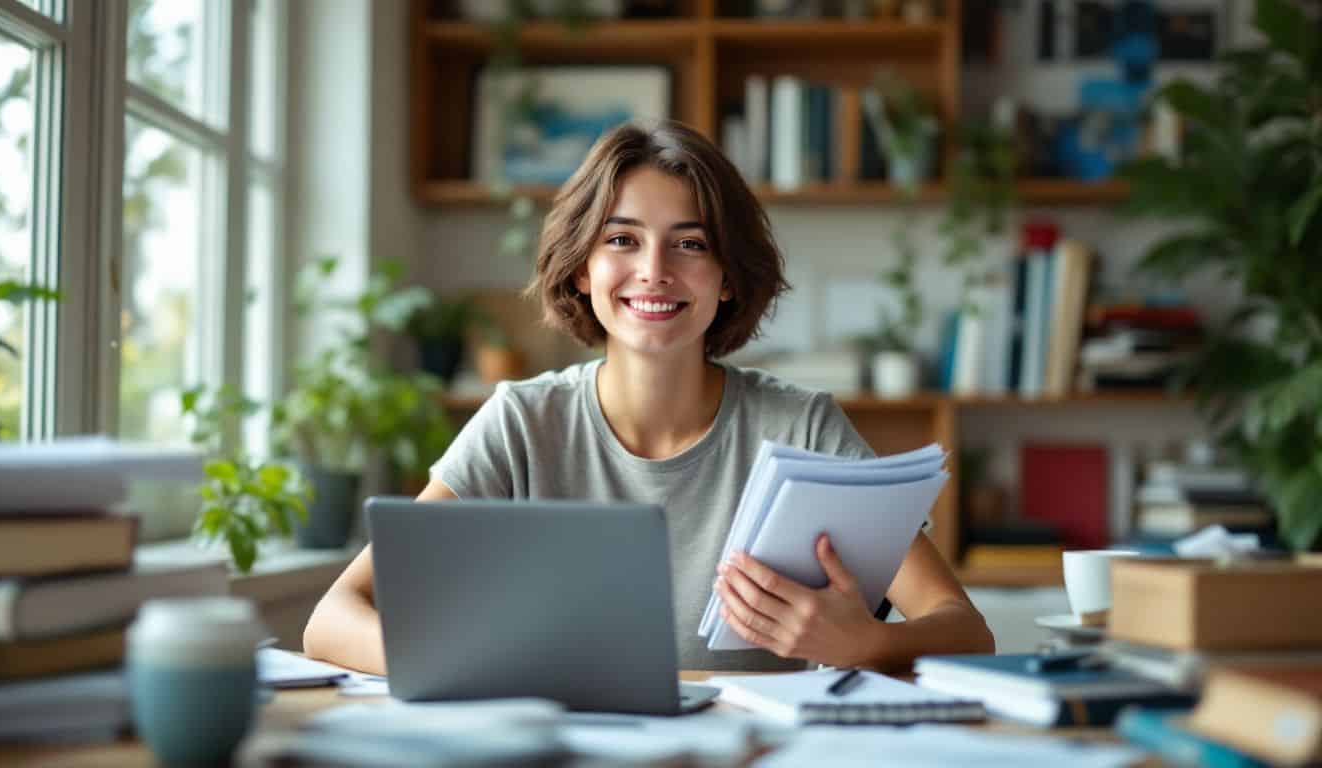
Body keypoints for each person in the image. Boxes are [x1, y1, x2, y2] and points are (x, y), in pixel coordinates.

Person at [303, 120, 994, 674]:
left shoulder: (801, 426)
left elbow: (964, 629)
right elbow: (333, 618)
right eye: (622, 240)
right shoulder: (521, 423)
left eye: (689, 244)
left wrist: (865, 645)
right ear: (581, 269)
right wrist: (476, 663)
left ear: (727, 277)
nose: (654, 273)